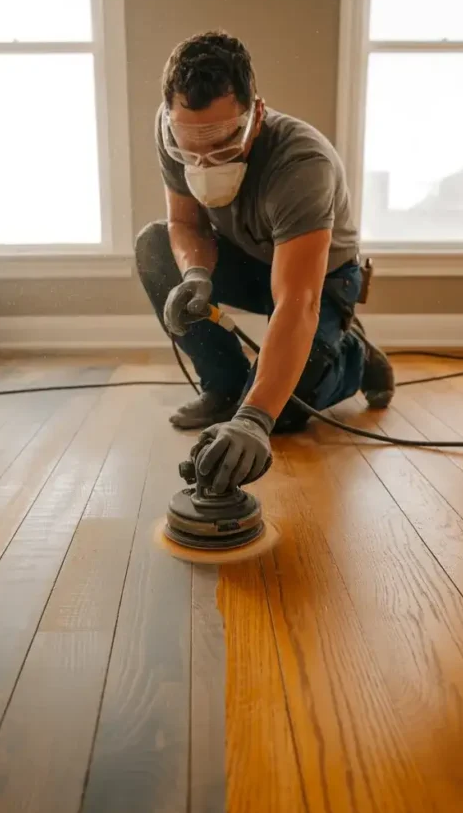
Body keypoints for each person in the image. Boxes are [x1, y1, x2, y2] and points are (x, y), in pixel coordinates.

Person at [135, 30, 394, 495]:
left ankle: (357, 358)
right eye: (191, 152)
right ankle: (224, 388)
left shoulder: (302, 163)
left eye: (223, 147)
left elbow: (298, 299)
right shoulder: (173, 128)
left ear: (256, 113)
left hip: (321, 279)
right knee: (154, 246)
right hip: (249, 258)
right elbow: (186, 223)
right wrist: (195, 273)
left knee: (284, 412)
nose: (205, 163)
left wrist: (255, 418)